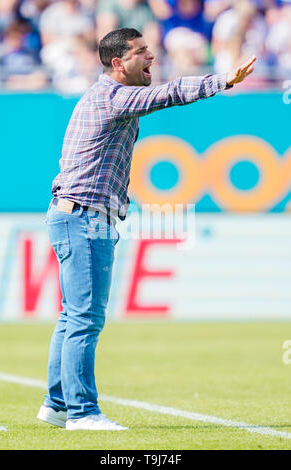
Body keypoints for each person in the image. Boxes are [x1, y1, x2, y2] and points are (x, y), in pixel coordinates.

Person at [37, 27, 256, 431]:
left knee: (73, 317)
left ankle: (57, 405)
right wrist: (222, 80)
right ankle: (82, 413)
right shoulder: (114, 96)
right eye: (141, 52)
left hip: (75, 214)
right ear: (118, 64)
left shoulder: (105, 96)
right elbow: (169, 94)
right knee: (84, 319)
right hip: (83, 217)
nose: (151, 57)